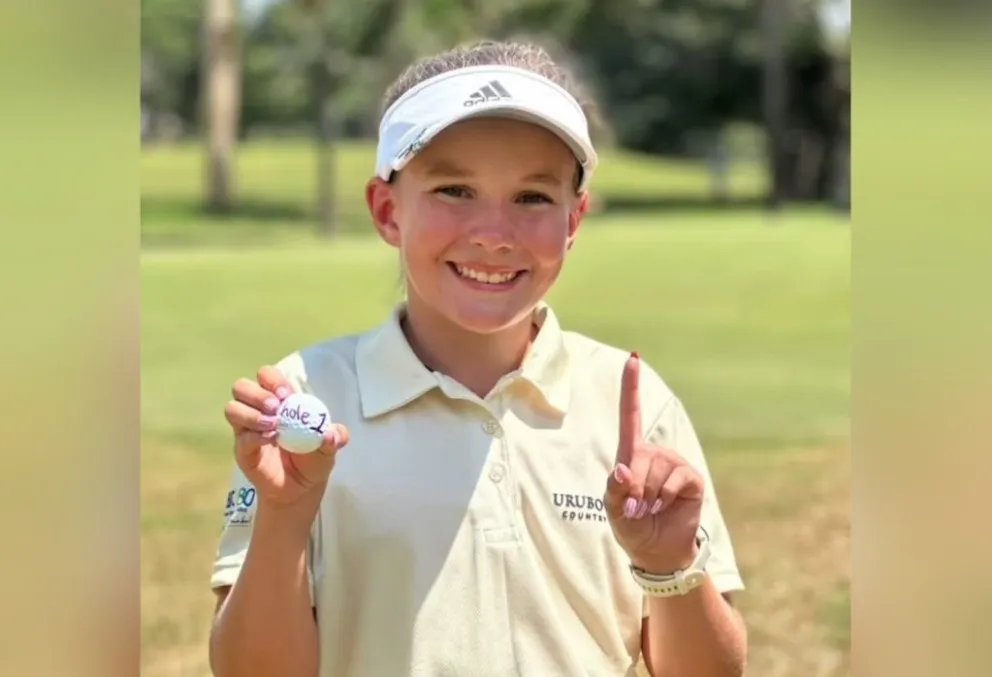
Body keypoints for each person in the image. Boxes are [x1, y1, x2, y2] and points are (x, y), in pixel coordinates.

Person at [208, 40, 748, 677]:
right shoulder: (308, 397)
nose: (494, 233)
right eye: (454, 190)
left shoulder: (630, 401)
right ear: (387, 210)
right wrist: (286, 517)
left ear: (574, 221)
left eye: (532, 198)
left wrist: (668, 571)